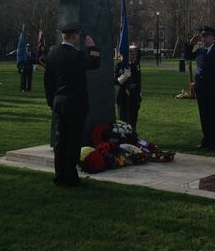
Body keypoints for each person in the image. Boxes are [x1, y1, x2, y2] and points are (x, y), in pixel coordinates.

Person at [44, 24, 101, 187]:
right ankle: (70, 178)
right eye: (77, 35)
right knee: (73, 141)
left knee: (60, 140)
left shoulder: (52, 54)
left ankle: (59, 175)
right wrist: (93, 48)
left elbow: (48, 82)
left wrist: (51, 102)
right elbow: (94, 63)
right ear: (74, 36)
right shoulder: (76, 55)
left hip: (59, 102)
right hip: (75, 103)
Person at [185, 26, 215, 149]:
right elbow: (188, 56)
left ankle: (214, 142)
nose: (203, 39)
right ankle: (206, 139)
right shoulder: (200, 51)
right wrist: (190, 44)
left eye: (206, 36)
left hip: (213, 90)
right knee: (204, 116)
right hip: (201, 89)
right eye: (202, 36)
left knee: (214, 116)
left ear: (213, 38)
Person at [114, 44, 142, 134]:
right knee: (123, 123)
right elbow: (115, 81)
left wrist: (139, 95)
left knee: (133, 122)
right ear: (126, 54)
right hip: (123, 98)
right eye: (131, 53)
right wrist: (123, 77)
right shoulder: (120, 65)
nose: (134, 55)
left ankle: (133, 139)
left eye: (135, 53)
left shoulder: (136, 64)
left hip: (134, 97)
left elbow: (138, 81)